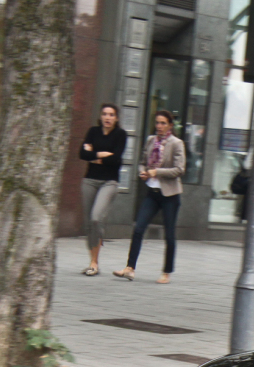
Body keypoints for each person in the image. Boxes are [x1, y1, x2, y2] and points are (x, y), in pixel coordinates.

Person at [116, 110, 185, 284]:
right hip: (152, 193)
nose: (159, 126)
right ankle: (130, 268)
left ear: (170, 125)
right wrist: (143, 172)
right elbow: (142, 162)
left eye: (163, 123)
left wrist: (157, 172)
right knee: (138, 228)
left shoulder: (176, 143)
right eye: (157, 123)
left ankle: (166, 272)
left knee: (169, 235)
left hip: (170, 194)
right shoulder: (150, 140)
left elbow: (179, 169)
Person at [79, 103, 127, 276]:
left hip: (109, 182)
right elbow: (82, 155)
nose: (108, 117)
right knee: (88, 224)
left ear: (116, 118)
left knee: (96, 218)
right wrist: (103, 154)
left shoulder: (120, 135)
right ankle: (93, 262)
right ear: (100, 117)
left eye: (111, 114)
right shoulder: (93, 132)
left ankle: (94, 261)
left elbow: (116, 160)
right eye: (105, 114)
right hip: (89, 181)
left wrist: (94, 154)